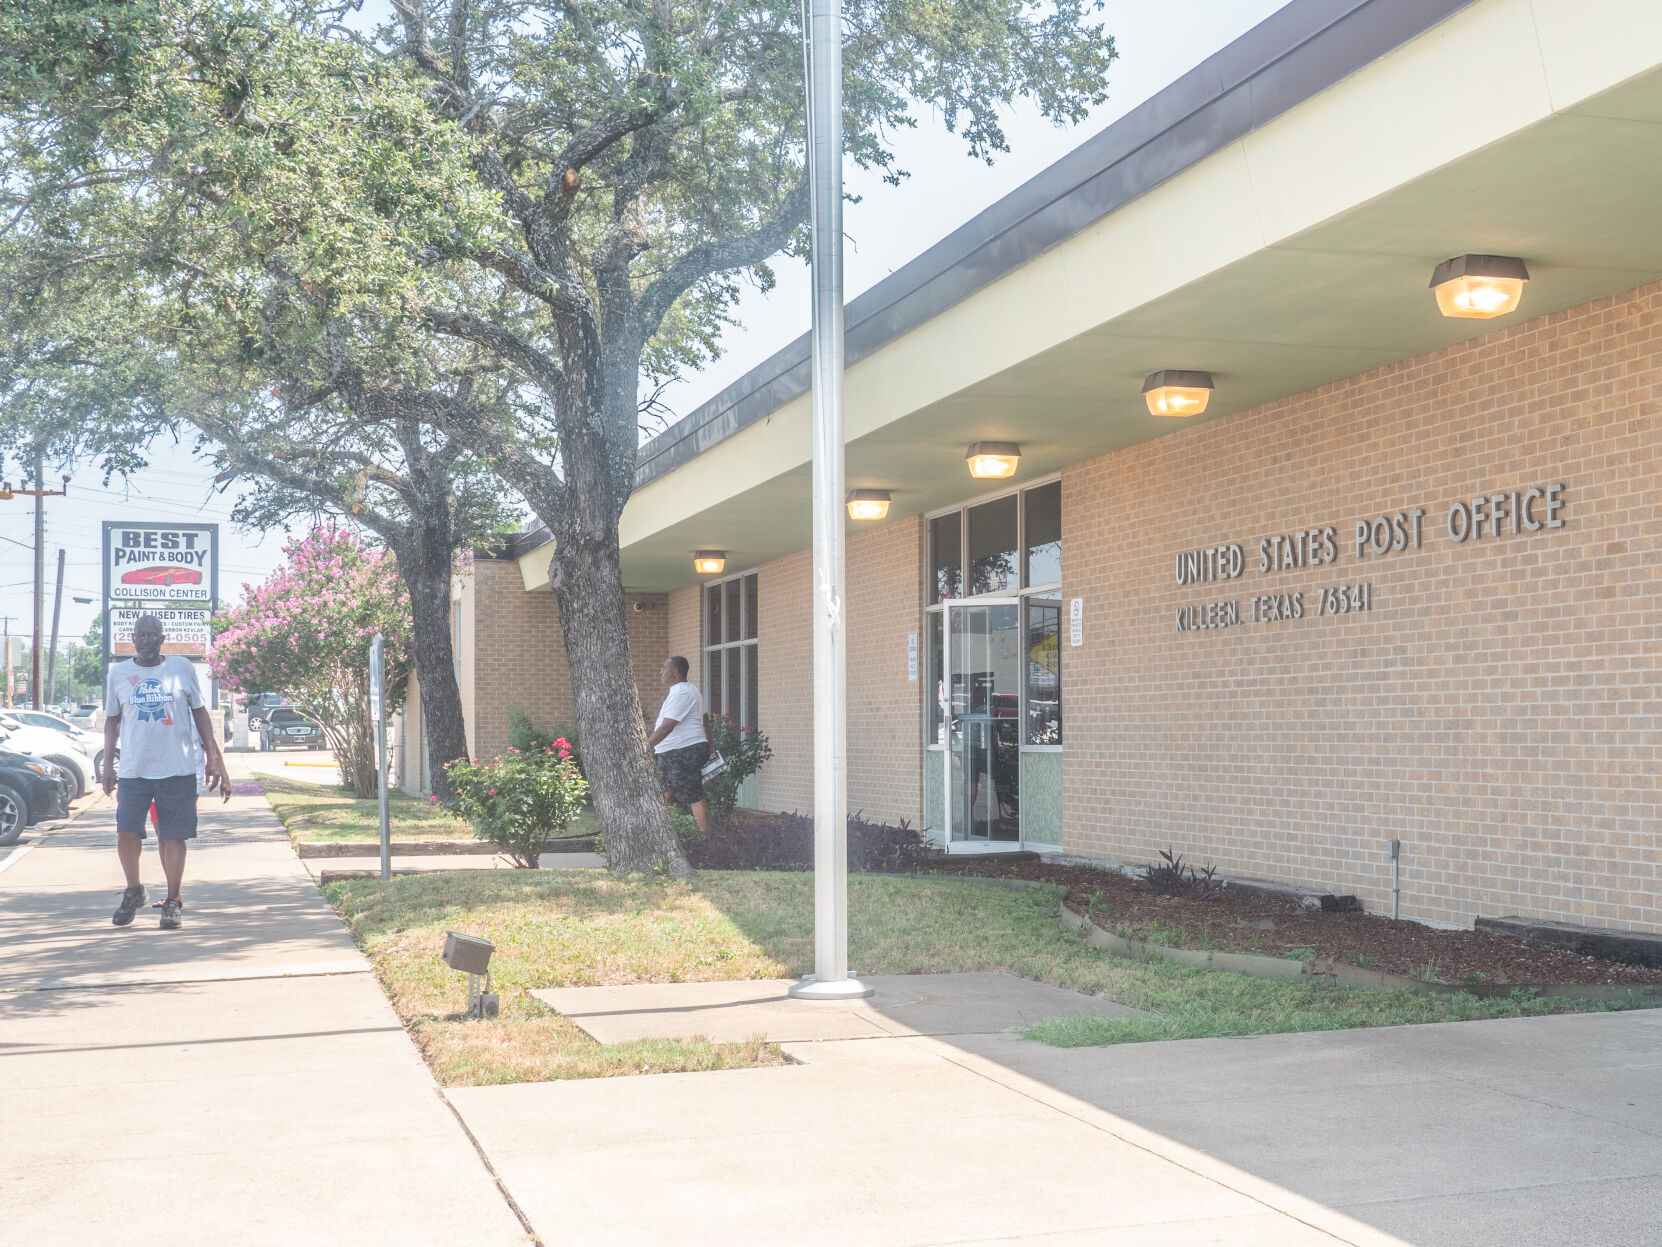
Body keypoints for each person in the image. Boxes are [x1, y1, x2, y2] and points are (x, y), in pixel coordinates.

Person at [101, 614, 231, 929]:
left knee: (174, 836)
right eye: (140, 635)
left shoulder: (181, 668)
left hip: (178, 767)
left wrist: (213, 757)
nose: (145, 640)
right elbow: (111, 721)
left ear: (162, 638)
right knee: (126, 833)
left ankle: (172, 901)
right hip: (135, 769)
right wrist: (108, 765)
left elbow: (200, 714)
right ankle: (134, 891)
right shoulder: (119, 674)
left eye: (152, 635)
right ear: (133, 639)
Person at [646, 655, 710, 833]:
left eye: (663, 668)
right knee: (666, 791)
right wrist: (710, 746)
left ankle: (709, 840)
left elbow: (667, 726)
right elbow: (704, 718)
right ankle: (658, 833)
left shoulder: (681, 692)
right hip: (677, 752)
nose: (661, 671)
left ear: (674, 671)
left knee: (693, 795)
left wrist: (644, 748)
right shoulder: (688, 690)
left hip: (683, 751)